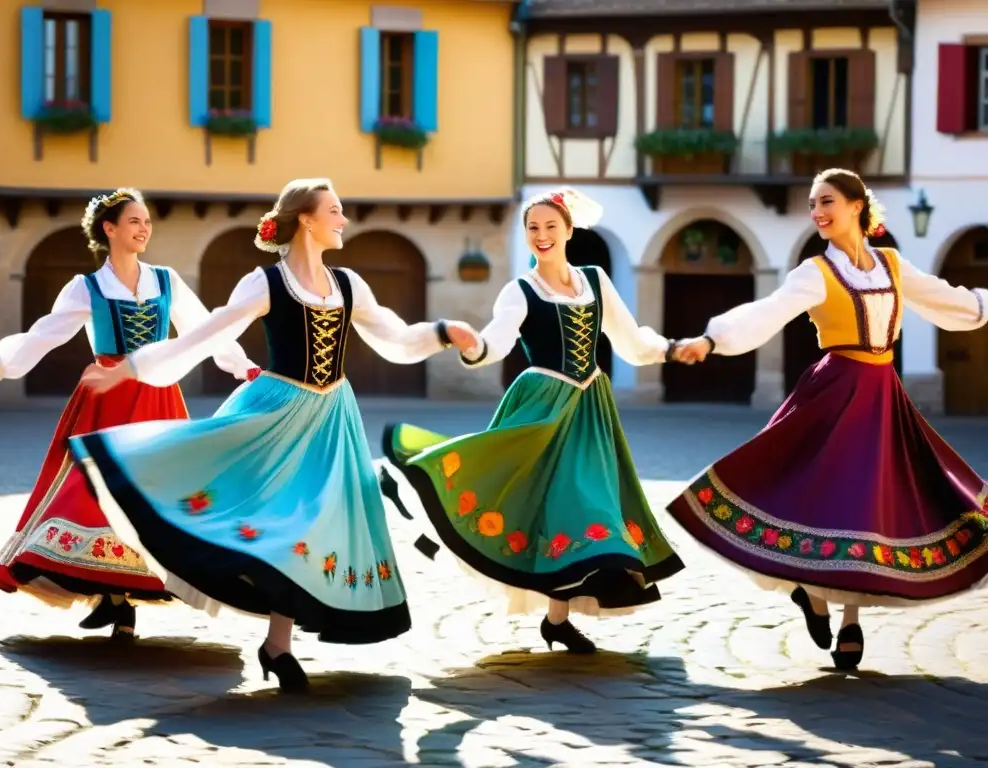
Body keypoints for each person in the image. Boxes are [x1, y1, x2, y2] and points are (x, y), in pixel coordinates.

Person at [69, 178, 479, 692]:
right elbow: (204, 336)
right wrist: (129, 367)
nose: (344, 219)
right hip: (278, 416)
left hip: (334, 422)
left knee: (314, 527)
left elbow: (396, 340)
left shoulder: (350, 284)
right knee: (282, 524)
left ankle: (276, 644)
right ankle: (278, 645)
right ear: (307, 219)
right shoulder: (266, 282)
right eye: (335, 210)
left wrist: (444, 333)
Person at [668, 168, 988, 670]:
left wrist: (983, 305)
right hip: (834, 393)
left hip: (882, 394)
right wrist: (713, 339)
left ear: (858, 205)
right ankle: (827, 605)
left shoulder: (892, 264)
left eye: (827, 201)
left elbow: (949, 299)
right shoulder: (814, 272)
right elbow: (767, 312)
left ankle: (845, 617)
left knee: (866, 508)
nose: (817, 212)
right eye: (813, 204)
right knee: (830, 501)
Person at [381, 188, 685, 654]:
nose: (541, 236)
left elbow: (629, 343)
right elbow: (496, 343)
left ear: (568, 230)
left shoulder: (596, 281)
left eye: (550, 227)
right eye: (533, 228)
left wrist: (669, 349)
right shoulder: (519, 289)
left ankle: (557, 620)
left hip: (590, 410)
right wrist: (471, 347)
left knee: (583, 504)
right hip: (541, 406)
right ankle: (421, 470)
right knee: (539, 500)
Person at [0, 188, 256, 639]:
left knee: (155, 494)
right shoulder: (86, 287)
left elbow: (203, 330)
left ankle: (118, 601)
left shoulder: (166, 281)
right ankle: (116, 600)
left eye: (147, 222)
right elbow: (43, 335)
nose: (144, 229)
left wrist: (244, 367)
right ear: (110, 229)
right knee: (95, 496)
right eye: (135, 221)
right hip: (106, 400)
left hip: (157, 397)